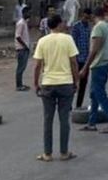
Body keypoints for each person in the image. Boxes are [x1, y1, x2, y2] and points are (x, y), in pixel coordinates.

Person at [32, 14, 79, 162]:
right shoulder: (68, 39)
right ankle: (64, 152)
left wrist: (36, 83)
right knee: (64, 119)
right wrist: (76, 80)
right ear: (58, 24)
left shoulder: (42, 41)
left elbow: (37, 65)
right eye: (63, 23)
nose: (65, 25)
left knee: (48, 119)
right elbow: (73, 62)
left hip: (48, 83)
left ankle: (47, 153)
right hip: (65, 83)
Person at [79, 7, 108, 133]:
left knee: (100, 94)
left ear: (93, 16)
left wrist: (85, 67)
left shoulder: (98, 28)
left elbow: (94, 49)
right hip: (106, 62)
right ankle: (92, 122)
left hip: (99, 64)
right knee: (94, 94)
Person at [71, 8, 93, 108]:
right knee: (73, 83)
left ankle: (78, 105)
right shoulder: (76, 26)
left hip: (85, 60)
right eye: (85, 17)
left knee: (83, 84)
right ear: (82, 15)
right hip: (76, 59)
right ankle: (68, 104)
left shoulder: (89, 27)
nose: (86, 19)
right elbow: (72, 43)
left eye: (88, 17)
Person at [14, 6, 32, 91]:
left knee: (22, 67)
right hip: (22, 48)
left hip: (24, 48)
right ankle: (19, 85)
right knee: (20, 68)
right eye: (28, 13)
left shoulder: (25, 22)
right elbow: (18, 36)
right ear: (24, 13)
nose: (30, 14)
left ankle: (20, 84)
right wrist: (25, 46)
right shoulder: (21, 23)